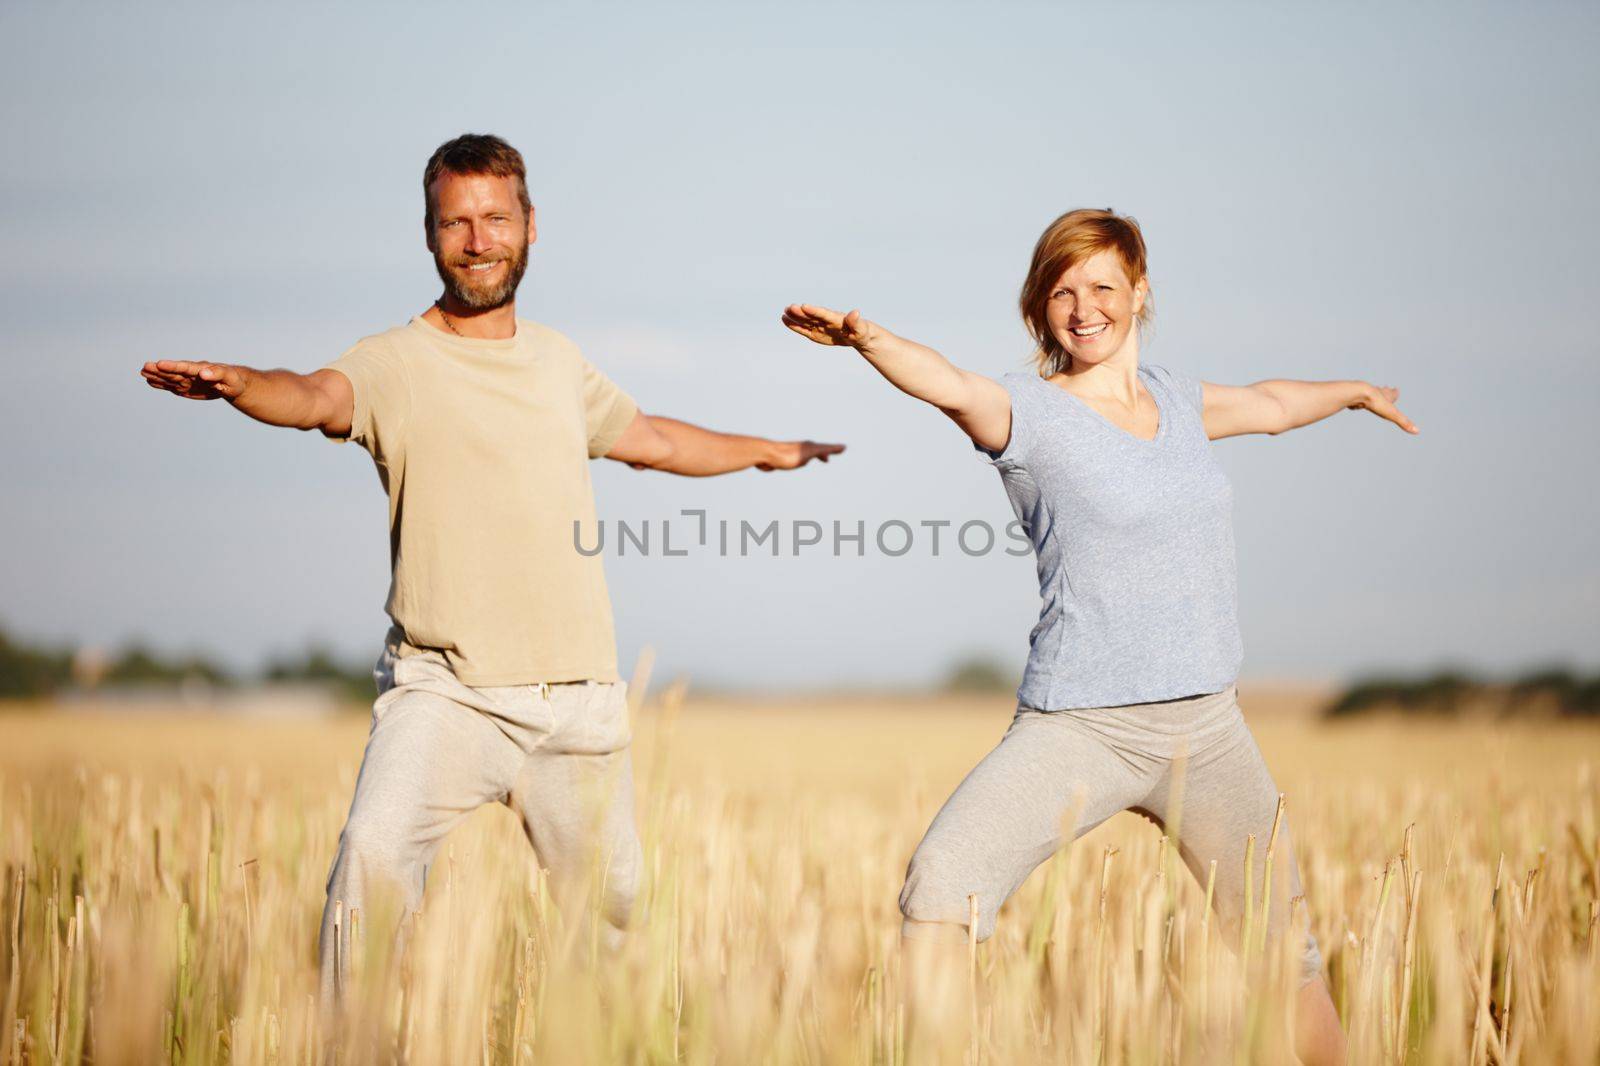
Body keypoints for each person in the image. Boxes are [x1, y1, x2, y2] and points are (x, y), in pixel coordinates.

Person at [141, 132, 844, 1014]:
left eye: (495, 220)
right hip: (449, 692)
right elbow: (316, 396)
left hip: (579, 698)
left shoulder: (556, 361)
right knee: (371, 858)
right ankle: (350, 1043)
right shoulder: (394, 362)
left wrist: (768, 452)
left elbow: (654, 440)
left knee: (615, 920)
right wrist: (245, 384)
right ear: (430, 234)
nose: (478, 241)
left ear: (530, 225)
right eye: (456, 223)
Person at [783, 208, 1416, 1064]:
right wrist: (870, 339)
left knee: (1282, 949)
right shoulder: (1029, 414)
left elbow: (1269, 405)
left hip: (1210, 731)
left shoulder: (1183, 402)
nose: (1083, 308)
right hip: (1085, 724)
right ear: (1040, 307)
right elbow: (949, 384)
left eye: (1102, 287)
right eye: (1062, 291)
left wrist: (1352, 393)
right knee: (940, 888)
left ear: (1139, 292)